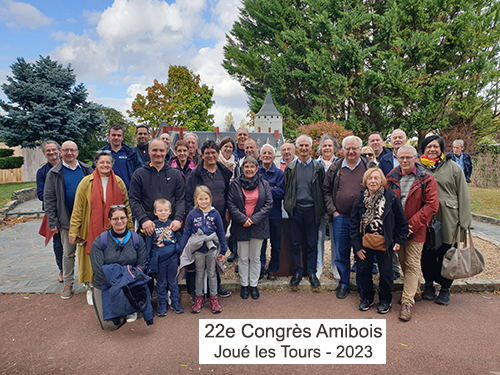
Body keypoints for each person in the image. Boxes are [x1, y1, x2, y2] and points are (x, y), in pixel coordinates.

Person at [69, 150, 133, 305]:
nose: (105, 165)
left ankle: (111, 285)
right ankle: (91, 287)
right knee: (92, 257)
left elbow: (126, 207)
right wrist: (74, 230)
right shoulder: (86, 182)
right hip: (91, 226)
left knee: (113, 257)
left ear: (112, 164)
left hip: (114, 227)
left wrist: (130, 228)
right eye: (102, 162)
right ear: (96, 163)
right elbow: (78, 208)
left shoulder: (119, 182)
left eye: (108, 162)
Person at [386, 145, 439, 321]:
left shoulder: (426, 178)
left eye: (408, 157)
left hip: (417, 230)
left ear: (416, 158)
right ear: (397, 158)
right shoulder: (391, 176)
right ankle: (415, 290)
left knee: (412, 263)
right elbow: (387, 203)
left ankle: (407, 302)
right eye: (401, 158)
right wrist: (397, 227)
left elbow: (432, 205)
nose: (405, 161)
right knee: (402, 261)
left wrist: (411, 225)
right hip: (397, 230)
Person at [420, 135, 472, 305]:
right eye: (429, 147)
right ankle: (429, 285)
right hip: (427, 219)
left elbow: (463, 194)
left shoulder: (454, 168)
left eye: (436, 146)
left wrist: (464, 223)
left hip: (449, 218)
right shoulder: (419, 167)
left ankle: (445, 289)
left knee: (447, 255)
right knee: (426, 254)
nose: (432, 149)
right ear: (424, 149)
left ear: (441, 148)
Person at [323, 136, 376, 299]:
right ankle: (344, 283)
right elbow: (325, 191)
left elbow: (379, 189)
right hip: (341, 218)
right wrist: (334, 212)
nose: (351, 152)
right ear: (343, 150)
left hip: (364, 220)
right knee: (341, 254)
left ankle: (362, 284)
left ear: (360, 150)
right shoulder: (335, 167)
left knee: (363, 253)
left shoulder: (369, 166)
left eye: (354, 148)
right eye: (348, 148)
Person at [350, 168, 408, 314]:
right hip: (365, 242)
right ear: (365, 181)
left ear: (382, 180)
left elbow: (401, 221)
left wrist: (399, 241)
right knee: (363, 271)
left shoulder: (391, 197)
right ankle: (367, 298)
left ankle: (385, 300)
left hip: (385, 242)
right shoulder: (360, 198)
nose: (373, 181)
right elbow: (353, 224)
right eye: (370, 178)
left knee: (386, 273)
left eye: (376, 178)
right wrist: (357, 246)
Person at [44, 141, 93, 299]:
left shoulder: (87, 170)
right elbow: (49, 199)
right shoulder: (54, 173)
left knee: (89, 251)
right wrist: (53, 222)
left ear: (77, 152)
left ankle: (89, 281)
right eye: (66, 150)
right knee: (68, 253)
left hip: (86, 220)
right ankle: (68, 283)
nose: (69, 153)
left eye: (72, 150)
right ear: (60, 152)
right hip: (66, 219)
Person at [90, 205, 151, 331]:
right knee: (109, 326)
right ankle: (122, 310)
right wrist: (118, 284)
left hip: (130, 283)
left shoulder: (136, 239)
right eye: (115, 218)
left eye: (123, 218)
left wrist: (127, 282)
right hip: (106, 283)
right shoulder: (100, 241)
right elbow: (98, 269)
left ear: (127, 218)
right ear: (110, 220)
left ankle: (128, 307)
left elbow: (141, 264)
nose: (119, 221)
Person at [185, 140, 233, 298]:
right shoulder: (195, 174)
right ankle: (194, 290)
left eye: (213, 152)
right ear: (202, 154)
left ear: (218, 153)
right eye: (207, 153)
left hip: (219, 218)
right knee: (197, 252)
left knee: (215, 251)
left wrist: (227, 211)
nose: (211, 155)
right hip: (200, 220)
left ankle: (216, 286)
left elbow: (227, 194)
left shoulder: (224, 172)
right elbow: (189, 198)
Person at [284, 135, 325, 290]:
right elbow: (287, 189)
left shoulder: (318, 168)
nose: (303, 148)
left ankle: (312, 273)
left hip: (312, 211)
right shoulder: (290, 168)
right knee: (294, 243)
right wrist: (289, 207)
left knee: (312, 244)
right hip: (296, 211)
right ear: (297, 147)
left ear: (311, 148)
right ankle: (297, 273)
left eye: (306, 145)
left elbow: (322, 189)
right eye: (301, 145)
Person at [228, 157, 273, 299]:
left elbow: (268, 203)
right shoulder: (235, 184)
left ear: (256, 168)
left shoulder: (263, 184)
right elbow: (231, 204)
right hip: (241, 226)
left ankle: (253, 285)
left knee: (255, 258)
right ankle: (244, 285)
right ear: (242, 168)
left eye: (252, 166)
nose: (249, 169)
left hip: (258, 225)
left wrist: (253, 219)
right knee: (242, 258)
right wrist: (243, 219)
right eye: (246, 166)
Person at [179, 186, 228, 313]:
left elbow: (221, 232)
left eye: (206, 198)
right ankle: (198, 299)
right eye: (200, 199)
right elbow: (186, 233)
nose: (204, 201)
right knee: (199, 274)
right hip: (198, 250)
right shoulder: (192, 214)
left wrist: (223, 250)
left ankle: (213, 299)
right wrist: (182, 250)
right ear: (196, 200)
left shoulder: (215, 213)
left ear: (210, 199)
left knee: (212, 274)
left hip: (212, 249)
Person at [129, 139, 185, 238]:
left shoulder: (176, 174)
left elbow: (180, 199)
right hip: (148, 228)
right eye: (155, 150)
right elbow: (134, 201)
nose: (158, 153)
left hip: (171, 226)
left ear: (167, 151)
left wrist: (178, 219)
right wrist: (144, 220)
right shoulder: (139, 174)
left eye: (161, 150)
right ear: (149, 151)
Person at [146, 198, 183, 316]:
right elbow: (148, 244)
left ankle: (175, 302)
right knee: (161, 283)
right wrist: (148, 259)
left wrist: (180, 253)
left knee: (172, 281)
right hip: (159, 259)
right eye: (160, 210)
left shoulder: (173, 224)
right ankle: (162, 303)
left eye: (165, 210)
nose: (163, 212)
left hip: (172, 258)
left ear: (170, 211)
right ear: (155, 212)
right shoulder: (152, 225)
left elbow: (180, 239)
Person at [36, 140, 63, 283]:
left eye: (54, 149)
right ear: (44, 153)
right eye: (48, 151)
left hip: (74, 210)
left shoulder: (69, 167)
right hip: (55, 212)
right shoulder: (42, 172)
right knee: (58, 243)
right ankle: (62, 269)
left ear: (59, 151)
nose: (51, 152)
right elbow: (40, 194)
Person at [257, 144, 284, 280]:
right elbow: (253, 191)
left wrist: (264, 188)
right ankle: (261, 268)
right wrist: (271, 187)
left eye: (269, 153)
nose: (267, 155)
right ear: (260, 156)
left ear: (274, 157)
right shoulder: (256, 172)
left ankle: (273, 269)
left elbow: (281, 192)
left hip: (275, 215)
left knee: (276, 245)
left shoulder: (279, 174)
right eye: (264, 153)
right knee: (261, 244)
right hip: (260, 215)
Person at [315, 135, 340, 280]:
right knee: (319, 236)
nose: (327, 148)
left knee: (336, 237)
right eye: (324, 146)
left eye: (330, 145)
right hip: (319, 205)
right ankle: (318, 266)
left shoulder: (340, 163)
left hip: (335, 205)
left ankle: (335, 267)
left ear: (334, 148)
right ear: (320, 148)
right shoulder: (315, 164)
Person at [98, 124, 143, 191]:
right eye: (113, 135)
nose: (116, 137)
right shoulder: (101, 153)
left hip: (128, 193)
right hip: (107, 192)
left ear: (123, 137)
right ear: (108, 136)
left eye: (119, 135)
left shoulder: (131, 152)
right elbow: (95, 172)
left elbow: (140, 171)